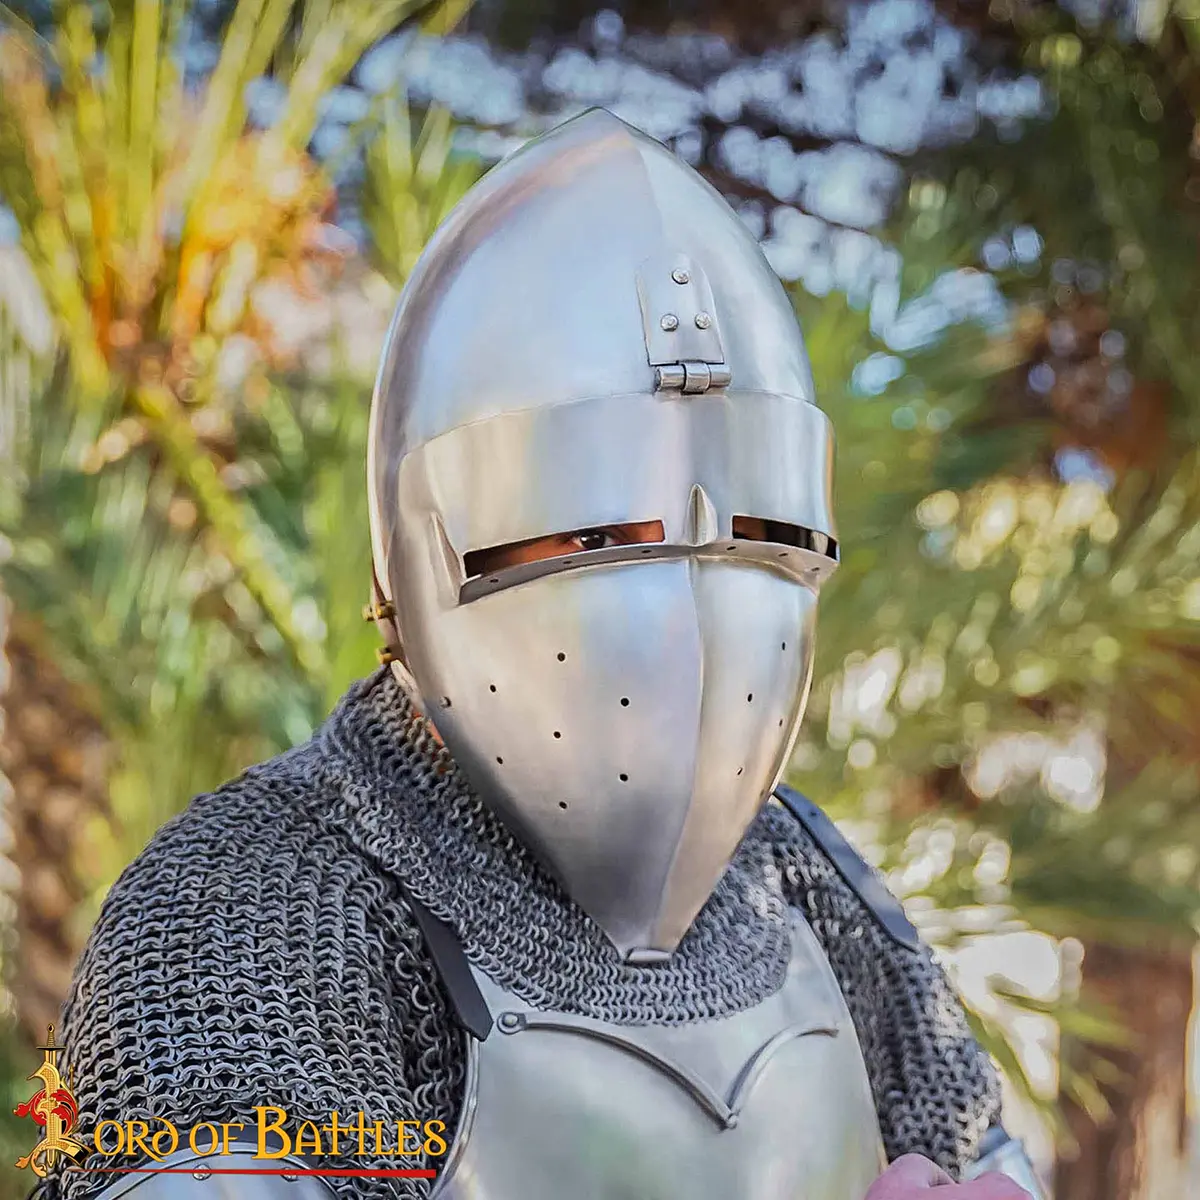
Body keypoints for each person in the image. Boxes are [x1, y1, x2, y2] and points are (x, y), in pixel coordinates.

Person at [42, 109, 1043, 1200]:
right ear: (420, 564)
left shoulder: (802, 878)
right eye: (598, 535)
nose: (690, 617)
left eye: (766, 537)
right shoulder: (247, 911)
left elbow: (985, 1161)